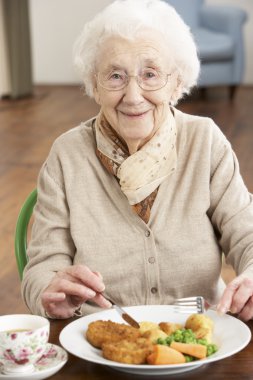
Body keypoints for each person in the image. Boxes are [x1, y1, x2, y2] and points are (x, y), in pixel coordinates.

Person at [22, 0, 253, 321]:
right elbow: (43, 265)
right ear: (94, 86)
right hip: (97, 342)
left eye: (150, 74)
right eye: (115, 76)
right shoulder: (67, 154)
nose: (133, 96)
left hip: (199, 336)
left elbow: (247, 234)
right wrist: (50, 290)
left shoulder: (205, 141)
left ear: (176, 82)